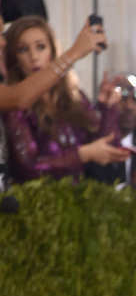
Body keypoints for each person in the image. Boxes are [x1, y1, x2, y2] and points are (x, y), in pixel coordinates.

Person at [3, 16, 128, 183]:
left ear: (53, 51)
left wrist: (107, 108)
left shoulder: (73, 95)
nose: (34, 57)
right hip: (38, 205)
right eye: (23, 49)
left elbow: (107, 149)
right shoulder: (14, 104)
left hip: (82, 201)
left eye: (41, 47)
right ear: (13, 58)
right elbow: (28, 169)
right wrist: (84, 154)